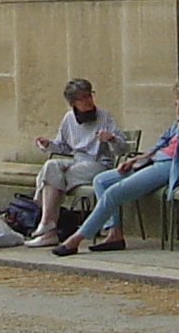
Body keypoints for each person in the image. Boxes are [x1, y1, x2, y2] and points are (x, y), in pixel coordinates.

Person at [51, 78, 179, 257]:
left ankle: (76, 239)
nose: (174, 103)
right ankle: (114, 233)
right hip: (156, 160)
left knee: (113, 193)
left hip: (173, 167)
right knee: (101, 180)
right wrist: (136, 159)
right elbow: (160, 144)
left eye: (177, 99)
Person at [23, 78, 119, 246]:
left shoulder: (104, 116)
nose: (89, 101)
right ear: (73, 103)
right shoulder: (69, 119)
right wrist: (48, 144)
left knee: (56, 179)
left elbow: (122, 146)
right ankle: (48, 227)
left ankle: (48, 227)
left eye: (90, 96)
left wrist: (111, 138)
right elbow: (63, 146)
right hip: (77, 161)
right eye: (83, 98)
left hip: (98, 164)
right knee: (51, 166)